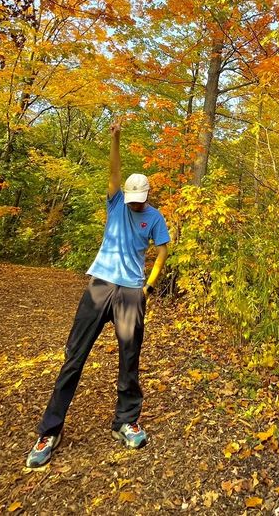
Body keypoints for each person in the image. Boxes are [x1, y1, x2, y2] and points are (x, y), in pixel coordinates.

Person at [26, 119, 170, 468]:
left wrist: (148, 287)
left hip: (132, 293)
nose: (135, 204)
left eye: (140, 200)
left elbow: (163, 251)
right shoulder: (116, 203)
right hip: (100, 285)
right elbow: (114, 172)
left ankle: (126, 421)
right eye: (131, 199)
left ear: (148, 196)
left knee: (129, 359)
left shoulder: (155, 217)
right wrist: (116, 139)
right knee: (74, 357)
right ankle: (50, 430)